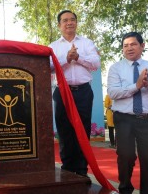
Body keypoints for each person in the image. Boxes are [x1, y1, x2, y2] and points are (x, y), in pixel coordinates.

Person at [107, 31, 148, 194]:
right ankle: (125, 189)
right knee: (126, 157)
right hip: (124, 119)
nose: (129, 48)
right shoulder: (116, 68)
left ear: (142, 46)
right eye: (125, 46)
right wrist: (136, 86)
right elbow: (113, 93)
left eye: (133, 44)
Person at [49, 10, 101, 178]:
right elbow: (48, 66)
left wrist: (78, 57)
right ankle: (68, 169)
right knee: (64, 131)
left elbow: (95, 64)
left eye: (72, 20)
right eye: (65, 20)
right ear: (59, 25)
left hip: (83, 92)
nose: (69, 23)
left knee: (83, 130)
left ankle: (81, 170)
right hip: (62, 92)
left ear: (76, 23)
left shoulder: (87, 43)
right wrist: (66, 57)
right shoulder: (53, 46)